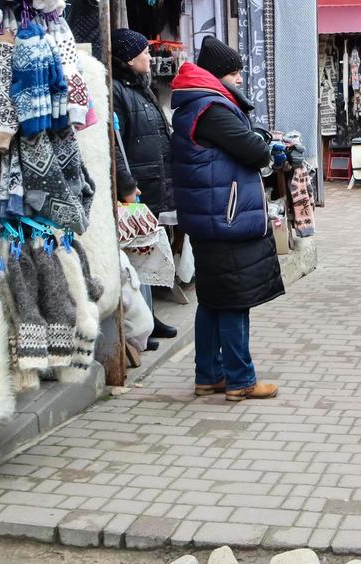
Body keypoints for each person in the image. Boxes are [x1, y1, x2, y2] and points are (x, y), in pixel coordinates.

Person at [170, 37, 283, 402]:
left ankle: (209, 375)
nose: (238, 79)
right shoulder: (211, 108)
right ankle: (240, 380)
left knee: (213, 299)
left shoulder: (197, 104)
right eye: (233, 72)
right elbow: (253, 150)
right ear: (217, 76)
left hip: (212, 214)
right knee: (234, 299)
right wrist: (265, 144)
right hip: (225, 217)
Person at [110, 29, 178, 343]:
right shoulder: (117, 91)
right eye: (144, 53)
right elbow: (115, 143)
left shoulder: (139, 87)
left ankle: (148, 316)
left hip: (150, 178)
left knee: (145, 250)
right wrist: (126, 184)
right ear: (128, 58)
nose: (150, 57)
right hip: (136, 184)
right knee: (135, 253)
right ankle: (139, 322)